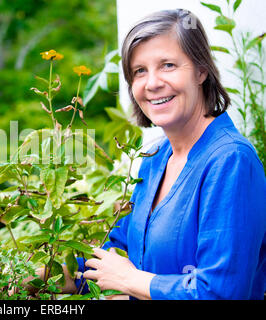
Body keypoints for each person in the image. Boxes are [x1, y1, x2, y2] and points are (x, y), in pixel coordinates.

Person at [45, 9, 265, 300]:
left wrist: (131, 280)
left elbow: (221, 291)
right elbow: (116, 259)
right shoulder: (155, 157)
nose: (152, 83)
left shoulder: (231, 161)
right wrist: (43, 277)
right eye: (139, 71)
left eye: (168, 65)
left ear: (201, 71)